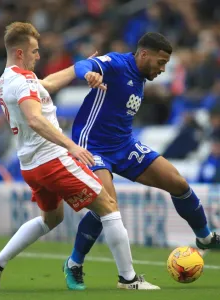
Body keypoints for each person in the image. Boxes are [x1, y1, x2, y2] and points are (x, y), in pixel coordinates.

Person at [0, 22, 159, 292]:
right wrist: (71, 146)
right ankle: (129, 279)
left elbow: (47, 85)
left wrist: (81, 67)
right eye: (34, 51)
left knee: (51, 219)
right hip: (52, 159)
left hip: (30, 165)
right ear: (20, 52)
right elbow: (35, 119)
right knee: (108, 206)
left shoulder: (8, 79)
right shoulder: (23, 80)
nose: (38, 56)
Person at [61, 32, 220, 290]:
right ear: (143, 54)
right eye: (160, 62)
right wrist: (88, 74)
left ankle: (204, 237)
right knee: (107, 206)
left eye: (166, 64)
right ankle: (77, 264)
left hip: (124, 144)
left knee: (177, 182)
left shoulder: (141, 76)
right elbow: (83, 65)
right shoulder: (115, 64)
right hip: (93, 146)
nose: (162, 69)